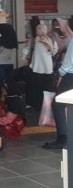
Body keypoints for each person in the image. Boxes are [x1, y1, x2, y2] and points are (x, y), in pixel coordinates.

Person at [43, 21, 73, 149]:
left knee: (58, 104)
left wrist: (60, 76)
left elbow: (68, 61)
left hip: (70, 76)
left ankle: (62, 138)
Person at [23, 24, 58, 111]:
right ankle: (47, 107)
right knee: (47, 89)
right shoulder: (51, 40)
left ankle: (36, 106)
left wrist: (25, 58)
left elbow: (25, 51)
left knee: (36, 89)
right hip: (48, 69)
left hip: (36, 68)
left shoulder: (34, 41)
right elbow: (54, 52)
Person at [0, 24, 18, 88]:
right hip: (10, 62)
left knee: (2, 81)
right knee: (9, 80)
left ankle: (3, 95)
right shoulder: (13, 40)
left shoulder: (0, 40)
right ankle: (8, 94)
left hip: (0, 63)